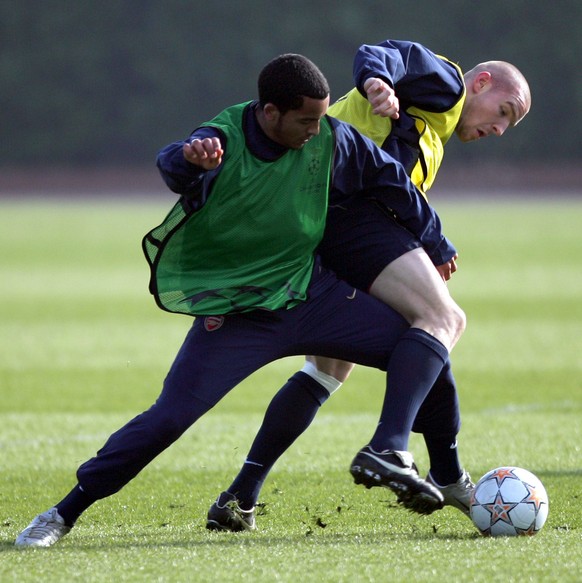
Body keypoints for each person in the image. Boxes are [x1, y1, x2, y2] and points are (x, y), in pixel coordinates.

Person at [15, 53, 458, 548]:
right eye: (306, 120)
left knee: (424, 346)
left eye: (321, 116)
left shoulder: (333, 137)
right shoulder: (222, 138)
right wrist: (188, 161)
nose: (317, 129)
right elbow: (174, 161)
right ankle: (62, 513)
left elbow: (394, 185)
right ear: (270, 112)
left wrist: (436, 244)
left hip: (311, 295)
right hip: (240, 313)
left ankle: (438, 470)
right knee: (169, 419)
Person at [207, 40, 531, 531]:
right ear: (481, 83)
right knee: (441, 321)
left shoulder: (434, 130)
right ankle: (404, 452)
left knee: (332, 368)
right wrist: (377, 80)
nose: (499, 128)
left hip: (313, 221)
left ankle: (240, 496)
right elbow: (387, 52)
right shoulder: (448, 85)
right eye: (503, 111)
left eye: (510, 125)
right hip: (346, 218)